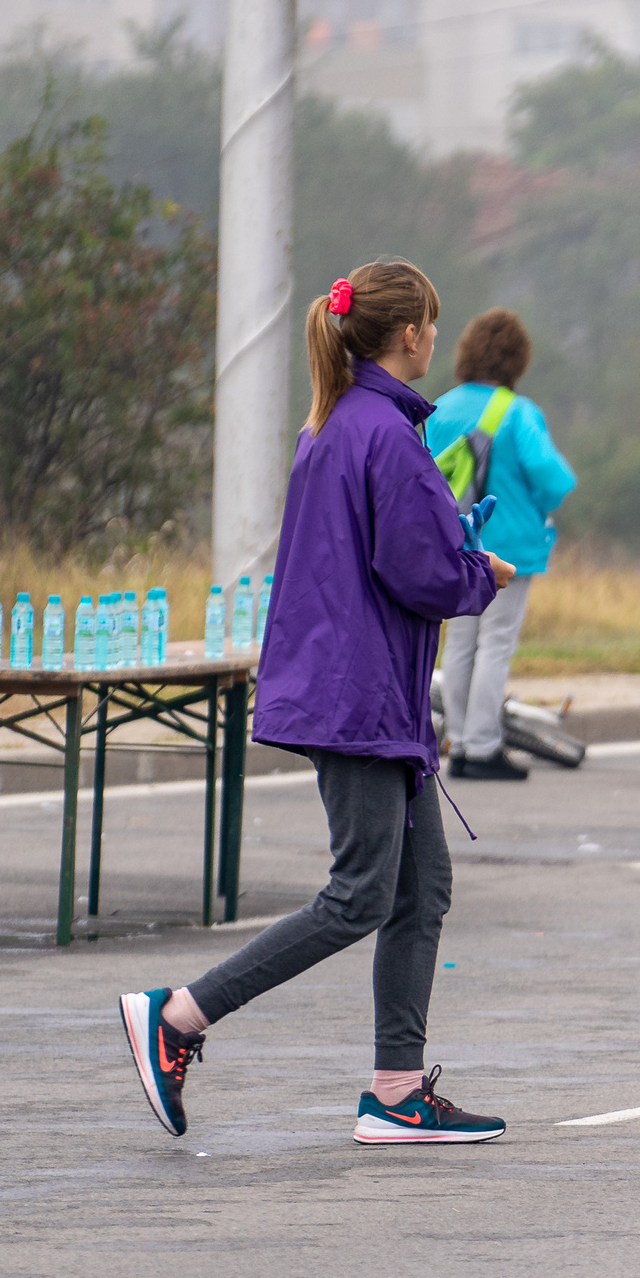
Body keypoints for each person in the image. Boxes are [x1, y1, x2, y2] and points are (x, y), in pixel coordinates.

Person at [120, 260, 515, 1144]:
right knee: (360, 894)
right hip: (360, 695)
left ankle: (396, 1092)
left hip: (359, 690)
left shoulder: (337, 423)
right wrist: (478, 574)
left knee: (421, 887)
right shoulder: (385, 432)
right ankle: (179, 1015)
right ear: (409, 333)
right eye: (431, 324)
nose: (436, 339)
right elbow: (417, 572)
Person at [426, 307, 576, 781]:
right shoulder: (518, 412)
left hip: (454, 542)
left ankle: (459, 741)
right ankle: (484, 745)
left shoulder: (441, 407)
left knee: (460, 643)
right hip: (509, 546)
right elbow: (553, 480)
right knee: (496, 644)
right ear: (518, 359)